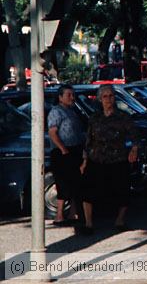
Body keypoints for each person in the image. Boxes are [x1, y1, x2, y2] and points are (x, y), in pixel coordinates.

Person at [78, 85, 140, 235]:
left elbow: (135, 137)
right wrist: (84, 160)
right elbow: (89, 140)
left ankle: (120, 220)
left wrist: (134, 150)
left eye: (111, 96)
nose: (108, 100)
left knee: (123, 190)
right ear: (100, 99)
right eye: (105, 97)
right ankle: (88, 223)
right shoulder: (95, 117)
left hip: (117, 158)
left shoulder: (123, 117)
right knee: (88, 191)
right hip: (96, 158)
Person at [47, 85, 85, 226]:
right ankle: (59, 215)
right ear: (60, 97)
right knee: (63, 183)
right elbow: (52, 132)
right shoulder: (56, 112)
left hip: (75, 150)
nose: (72, 97)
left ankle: (73, 213)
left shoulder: (72, 111)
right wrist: (63, 149)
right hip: (62, 152)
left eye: (72, 94)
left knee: (76, 182)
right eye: (68, 95)